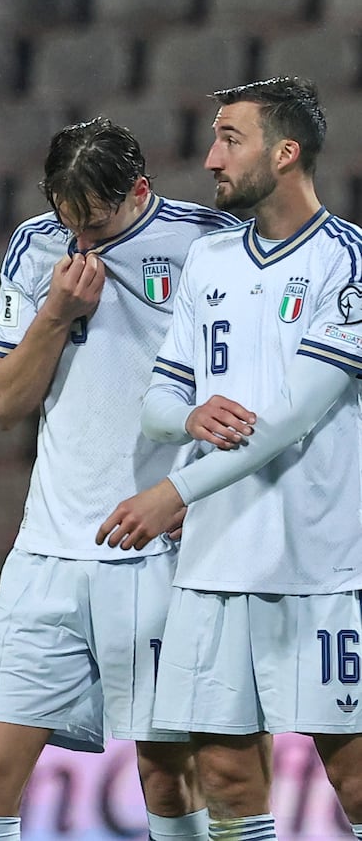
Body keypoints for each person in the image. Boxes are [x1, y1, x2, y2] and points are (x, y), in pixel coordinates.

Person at [0, 117, 238, 841]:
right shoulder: (33, 244)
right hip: (47, 550)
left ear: (140, 190)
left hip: (160, 552)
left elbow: (252, 399)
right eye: (66, 218)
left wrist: (195, 496)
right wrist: (57, 312)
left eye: (96, 223)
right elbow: (2, 400)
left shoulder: (212, 246)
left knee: (167, 774)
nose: (79, 239)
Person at [96, 76, 362, 840]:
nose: (211, 157)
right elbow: (153, 405)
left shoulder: (346, 262)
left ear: (286, 152)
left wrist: (171, 492)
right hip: (214, 568)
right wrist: (186, 413)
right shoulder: (210, 261)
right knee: (224, 775)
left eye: (230, 139)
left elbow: (290, 417)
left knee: (353, 775)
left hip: (319, 566)